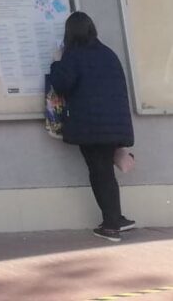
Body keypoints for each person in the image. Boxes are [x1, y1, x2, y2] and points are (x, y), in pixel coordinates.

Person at [48, 12, 135, 242]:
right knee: (105, 172)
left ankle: (111, 226)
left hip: (92, 128)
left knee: (100, 173)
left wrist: (56, 62)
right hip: (113, 125)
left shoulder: (74, 55)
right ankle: (116, 218)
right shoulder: (108, 54)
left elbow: (61, 84)